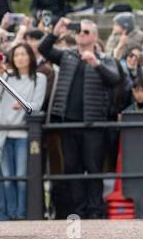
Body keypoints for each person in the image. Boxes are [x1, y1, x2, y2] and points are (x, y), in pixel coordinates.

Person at [39, 17, 121, 218]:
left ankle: (95, 211)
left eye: (85, 32)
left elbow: (114, 79)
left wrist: (96, 64)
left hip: (93, 124)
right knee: (72, 169)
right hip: (68, 122)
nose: (81, 35)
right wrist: (55, 32)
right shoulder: (68, 56)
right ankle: (78, 210)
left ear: (94, 36)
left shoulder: (106, 59)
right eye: (79, 32)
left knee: (93, 169)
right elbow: (44, 50)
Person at [0, 42, 47, 221]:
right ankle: (11, 213)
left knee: (20, 178)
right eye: (17, 54)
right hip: (3, 133)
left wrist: (23, 105)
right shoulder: (7, 77)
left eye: (23, 54)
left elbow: (38, 105)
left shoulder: (38, 78)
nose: (20, 58)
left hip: (23, 134)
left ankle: (21, 213)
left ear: (30, 57)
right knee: (7, 178)